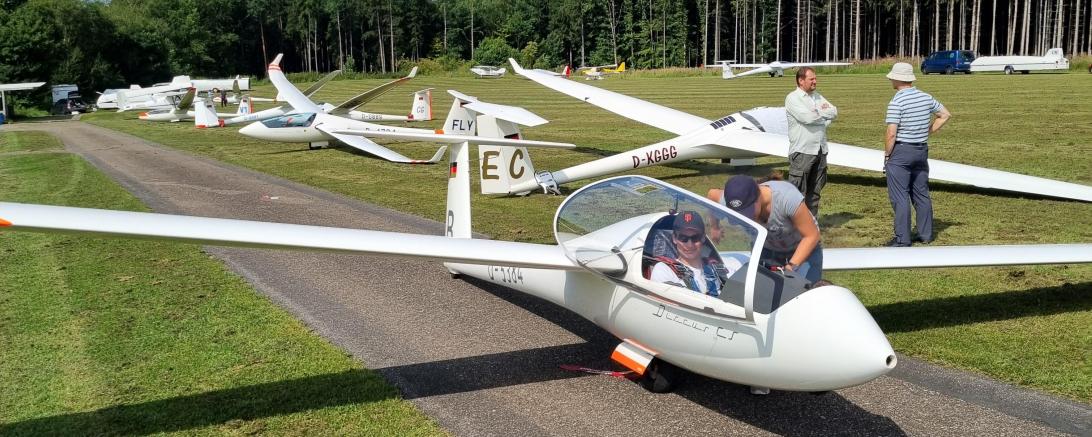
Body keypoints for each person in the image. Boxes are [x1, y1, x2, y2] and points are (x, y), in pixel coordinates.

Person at [708, 174, 823, 284]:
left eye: (748, 212)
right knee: (763, 294)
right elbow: (712, 195)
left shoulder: (787, 198)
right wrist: (715, 227)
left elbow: (811, 236)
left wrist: (791, 267)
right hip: (767, 249)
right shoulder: (731, 200)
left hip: (802, 248)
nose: (746, 218)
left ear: (758, 197)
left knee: (805, 292)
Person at [883, 62, 951, 247]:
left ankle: (902, 239)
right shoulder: (925, 97)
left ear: (897, 79)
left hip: (902, 151)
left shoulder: (897, 101)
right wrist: (926, 132)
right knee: (921, 193)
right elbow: (944, 114)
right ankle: (926, 234)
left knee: (900, 196)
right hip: (921, 150)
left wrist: (888, 155)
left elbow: (891, 133)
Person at [785, 66, 837, 217]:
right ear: (801, 81)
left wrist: (817, 113)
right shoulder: (792, 98)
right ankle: (793, 230)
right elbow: (806, 118)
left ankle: (812, 227)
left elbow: (834, 112)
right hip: (802, 151)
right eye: (811, 79)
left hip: (820, 150)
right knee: (797, 194)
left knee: (815, 194)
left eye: (815, 78)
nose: (815, 81)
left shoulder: (817, 96)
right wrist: (822, 114)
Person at [648, 211, 730, 296]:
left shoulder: (717, 271)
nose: (689, 245)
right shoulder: (664, 270)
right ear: (674, 238)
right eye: (683, 238)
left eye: (695, 238)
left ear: (703, 238)